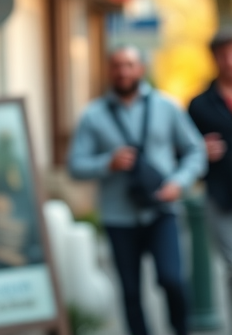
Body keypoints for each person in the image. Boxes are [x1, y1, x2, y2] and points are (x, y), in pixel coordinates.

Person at [67, 46, 205, 335]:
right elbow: (75, 166)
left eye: (129, 65)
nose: (123, 71)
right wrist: (107, 163)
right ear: (109, 70)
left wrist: (178, 183)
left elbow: (195, 150)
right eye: (117, 65)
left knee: (172, 279)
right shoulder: (93, 115)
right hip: (118, 215)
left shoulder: (166, 106)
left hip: (162, 210)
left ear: (141, 69)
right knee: (130, 292)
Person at [188, 30, 232, 296]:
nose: (229, 60)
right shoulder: (199, 105)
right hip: (221, 196)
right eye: (222, 54)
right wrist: (200, 150)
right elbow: (183, 151)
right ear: (214, 58)